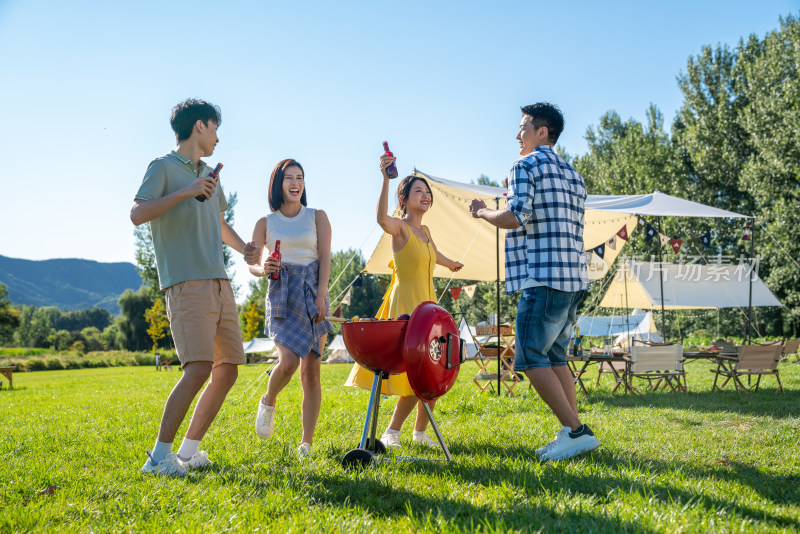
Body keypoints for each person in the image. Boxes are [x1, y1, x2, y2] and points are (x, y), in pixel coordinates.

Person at [131, 99, 259, 477]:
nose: (219, 137)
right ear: (200, 126)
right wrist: (186, 191)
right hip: (186, 282)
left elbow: (218, 224)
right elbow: (137, 213)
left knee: (229, 368)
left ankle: (187, 452)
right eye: (216, 128)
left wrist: (246, 250)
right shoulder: (163, 168)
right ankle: (158, 458)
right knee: (199, 367)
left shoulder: (209, 174)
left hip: (219, 283)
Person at [469, 102, 600, 461]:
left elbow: (517, 216)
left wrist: (482, 212)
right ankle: (572, 431)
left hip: (542, 277)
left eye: (523, 127)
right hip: (575, 278)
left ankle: (576, 431)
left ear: (542, 132)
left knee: (528, 356)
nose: (518, 134)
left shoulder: (525, 165)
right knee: (557, 356)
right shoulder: (574, 174)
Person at [344, 155, 463, 449]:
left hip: (429, 306)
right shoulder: (400, 228)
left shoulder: (426, 232)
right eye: (418, 192)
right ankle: (391, 432)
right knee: (415, 371)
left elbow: (437, 256)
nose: (425, 196)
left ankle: (420, 433)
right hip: (406, 307)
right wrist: (385, 178)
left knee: (435, 368)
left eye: (427, 192)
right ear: (404, 198)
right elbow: (380, 219)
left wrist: (452, 265)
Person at [251, 159, 333, 459]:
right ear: (278, 183)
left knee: (312, 371)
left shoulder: (317, 217)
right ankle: (269, 400)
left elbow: (325, 256)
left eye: (300, 177)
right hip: (282, 293)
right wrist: (264, 267)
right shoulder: (265, 222)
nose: (295, 183)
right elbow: (253, 264)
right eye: (289, 178)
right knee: (288, 363)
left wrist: (322, 294)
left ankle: (306, 443)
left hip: (313, 292)